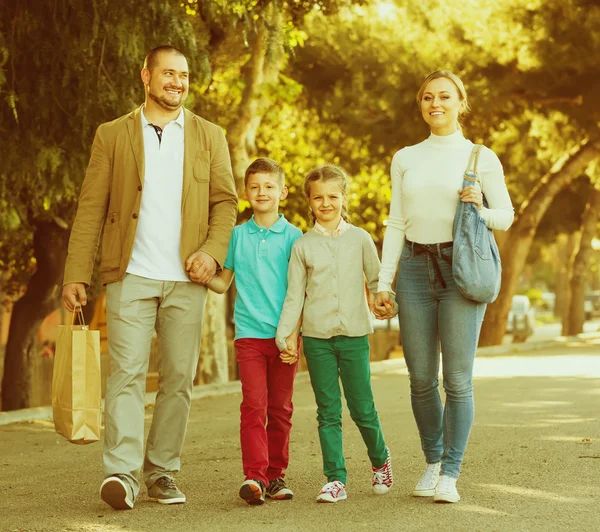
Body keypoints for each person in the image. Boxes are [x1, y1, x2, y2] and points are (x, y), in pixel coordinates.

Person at [61, 45, 238, 510]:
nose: (176, 82)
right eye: (167, 74)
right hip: (130, 274)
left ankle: (162, 471)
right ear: (146, 76)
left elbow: (225, 203)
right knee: (127, 374)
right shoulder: (113, 134)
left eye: (183, 75)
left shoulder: (209, 135)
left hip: (187, 277)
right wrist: (76, 273)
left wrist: (212, 254)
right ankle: (122, 473)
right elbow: (91, 208)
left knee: (178, 376)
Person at [375, 70, 514, 503]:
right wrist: (384, 281)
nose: (436, 103)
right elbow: (397, 220)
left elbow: (506, 216)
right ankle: (432, 461)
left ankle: (451, 472)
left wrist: (480, 207)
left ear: (460, 103)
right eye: (428, 97)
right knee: (419, 377)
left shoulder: (480, 156)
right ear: (421, 104)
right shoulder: (405, 157)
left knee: (456, 379)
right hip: (415, 267)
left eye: (445, 97)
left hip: (461, 267)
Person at [276, 165, 393, 503]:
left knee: (362, 408)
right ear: (309, 202)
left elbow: (376, 282)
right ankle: (335, 479)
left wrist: (385, 301)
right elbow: (295, 295)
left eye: (332, 196)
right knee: (327, 410)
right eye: (318, 198)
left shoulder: (360, 239)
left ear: (344, 198)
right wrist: (286, 335)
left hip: (355, 335)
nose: (325, 203)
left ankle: (379, 460)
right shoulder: (302, 246)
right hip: (317, 339)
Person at [206, 158, 302, 506]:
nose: (262, 192)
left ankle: (276, 476)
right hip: (248, 335)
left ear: (283, 192)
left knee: (280, 409)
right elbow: (222, 283)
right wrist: (200, 274)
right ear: (245, 192)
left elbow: (301, 291)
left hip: (285, 337)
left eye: (269, 186)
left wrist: (293, 334)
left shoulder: (295, 238)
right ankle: (255, 477)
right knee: (253, 406)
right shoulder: (236, 236)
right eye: (255, 186)